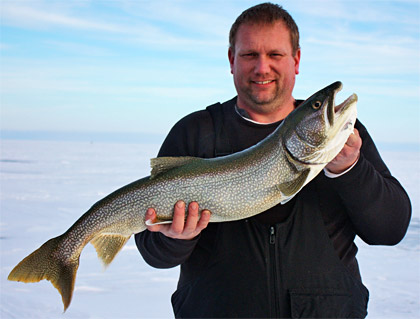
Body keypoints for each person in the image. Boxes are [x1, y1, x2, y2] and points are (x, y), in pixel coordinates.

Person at [135, 3, 411, 318]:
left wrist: (350, 169)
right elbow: (152, 252)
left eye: (275, 55)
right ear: (231, 60)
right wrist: (174, 239)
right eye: (250, 54)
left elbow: (390, 230)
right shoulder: (195, 132)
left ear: (296, 60)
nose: (262, 68)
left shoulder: (345, 136)